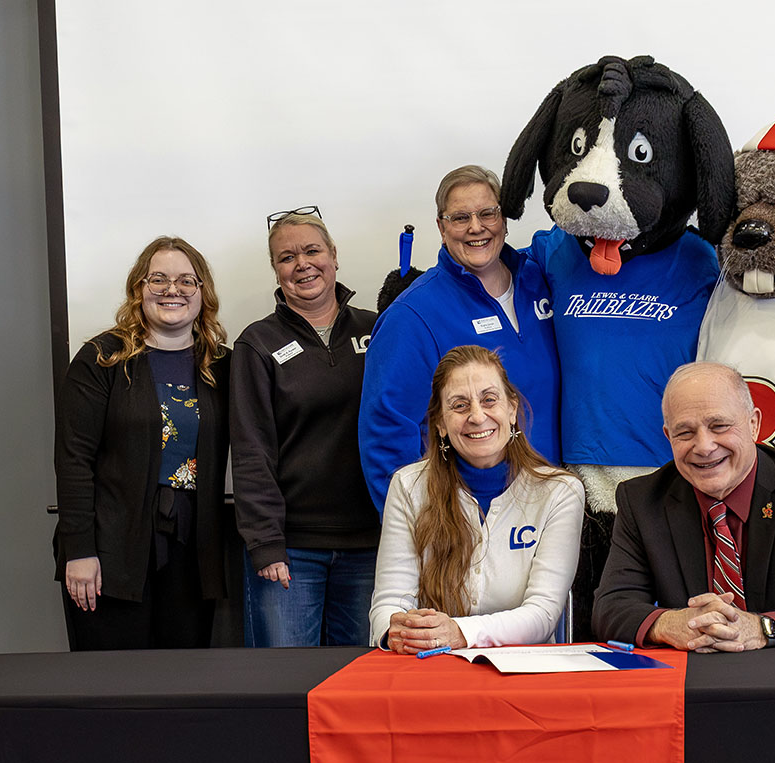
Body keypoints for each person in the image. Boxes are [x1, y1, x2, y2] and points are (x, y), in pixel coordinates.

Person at [593, 362, 775, 651]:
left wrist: (762, 628)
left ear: (753, 424)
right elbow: (610, 608)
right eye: (685, 433)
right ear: (668, 436)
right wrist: (671, 624)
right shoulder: (642, 500)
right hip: (690, 680)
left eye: (719, 426)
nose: (704, 446)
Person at [53, 235, 230, 650]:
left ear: (203, 293)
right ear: (139, 288)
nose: (173, 290)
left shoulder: (221, 365)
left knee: (181, 686)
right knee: (113, 686)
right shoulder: (102, 359)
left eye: (187, 281)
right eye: (159, 279)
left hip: (191, 553)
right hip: (108, 550)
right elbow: (74, 460)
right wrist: (79, 550)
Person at [359, 165, 561, 514]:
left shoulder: (542, 280)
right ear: (441, 227)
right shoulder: (413, 315)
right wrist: (422, 529)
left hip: (553, 506)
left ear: (504, 218)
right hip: (469, 520)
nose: (475, 227)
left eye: (487, 213)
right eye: (460, 217)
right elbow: (386, 434)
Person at [369, 345, 583, 653]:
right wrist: (398, 631)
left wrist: (460, 632)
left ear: (511, 409)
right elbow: (389, 601)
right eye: (459, 405)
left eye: (489, 400)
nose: (477, 416)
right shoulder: (408, 486)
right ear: (440, 424)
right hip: (432, 667)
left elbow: (543, 613)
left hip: (524, 672)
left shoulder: (560, 492)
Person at [231, 207, 380, 646]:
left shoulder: (381, 328)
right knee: (285, 687)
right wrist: (265, 544)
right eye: (287, 257)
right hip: (291, 551)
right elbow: (250, 450)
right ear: (276, 270)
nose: (302, 264)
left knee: (361, 684)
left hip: (373, 545)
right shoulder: (257, 344)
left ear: (334, 255)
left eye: (312, 250)